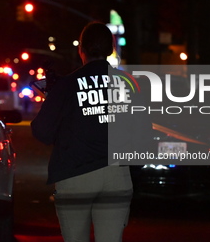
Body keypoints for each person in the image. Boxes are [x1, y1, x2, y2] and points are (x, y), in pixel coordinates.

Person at [31, 21, 152, 242]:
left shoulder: (66, 86)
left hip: (75, 175)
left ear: (81, 50)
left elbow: (42, 131)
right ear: (110, 49)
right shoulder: (129, 85)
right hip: (117, 176)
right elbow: (144, 135)